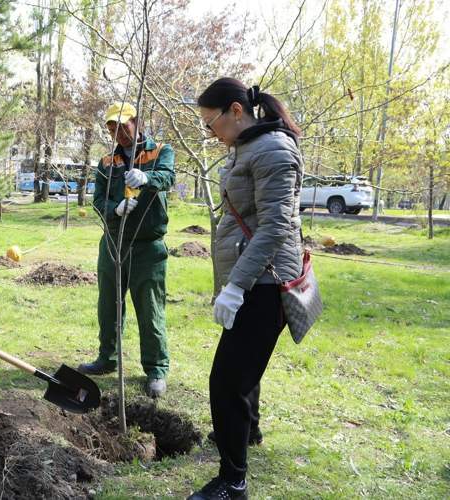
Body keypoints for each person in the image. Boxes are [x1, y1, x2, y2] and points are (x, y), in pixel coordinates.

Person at [187, 78, 304, 500]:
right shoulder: (249, 147)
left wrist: (236, 285)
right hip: (252, 282)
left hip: (264, 285)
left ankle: (232, 481)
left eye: (211, 122)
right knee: (241, 375)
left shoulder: (272, 149)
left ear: (237, 110)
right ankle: (246, 433)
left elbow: (275, 226)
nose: (210, 133)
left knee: (226, 383)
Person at [78, 102, 175, 398]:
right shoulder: (107, 163)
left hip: (147, 246)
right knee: (109, 306)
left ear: (137, 122)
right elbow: (97, 201)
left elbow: (168, 178)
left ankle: (156, 369)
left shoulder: (160, 152)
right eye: (111, 128)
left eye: (122, 125)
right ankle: (107, 358)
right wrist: (115, 209)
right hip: (113, 242)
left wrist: (148, 179)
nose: (117, 132)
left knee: (150, 309)